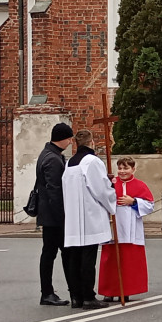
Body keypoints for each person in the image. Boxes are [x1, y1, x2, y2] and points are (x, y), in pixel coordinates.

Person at [62, 129, 114, 309]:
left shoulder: (69, 164)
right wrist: (111, 196)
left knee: (74, 257)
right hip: (89, 215)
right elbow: (101, 190)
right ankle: (88, 296)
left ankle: (76, 296)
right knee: (88, 258)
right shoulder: (92, 162)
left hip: (74, 217)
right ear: (92, 143)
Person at [98, 156, 153, 303]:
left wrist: (134, 201)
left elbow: (149, 205)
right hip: (113, 226)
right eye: (120, 168)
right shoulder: (111, 183)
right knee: (110, 260)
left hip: (131, 228)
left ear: (133, 169)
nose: (122, 171)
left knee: (128, 262)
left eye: (126, 168)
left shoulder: (140, 185)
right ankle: (109, 291)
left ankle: (126, 290)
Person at [35, 122, 73, 306]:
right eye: (69, 138)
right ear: (64, 138)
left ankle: (48, 292)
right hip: (53, 216)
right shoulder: (52, 159)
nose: (71, 141)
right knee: (58, 253)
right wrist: (62, 217)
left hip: (49, 214)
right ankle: (50, 292)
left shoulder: (49, 154)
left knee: (49, 253)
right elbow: (54, 190)